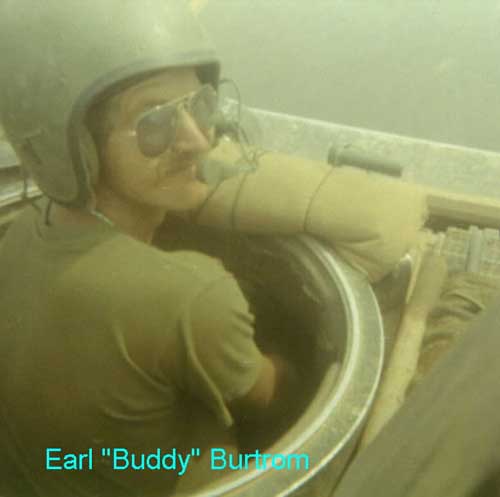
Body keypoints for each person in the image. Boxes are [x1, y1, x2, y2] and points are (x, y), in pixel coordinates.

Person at [0, 1, 426, 496]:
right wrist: (292, 351)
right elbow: (274, 400)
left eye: (200, 105)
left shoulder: (21, 234)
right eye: (155, 122)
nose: (199, 141)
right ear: (78, 147)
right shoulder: (191, 294)